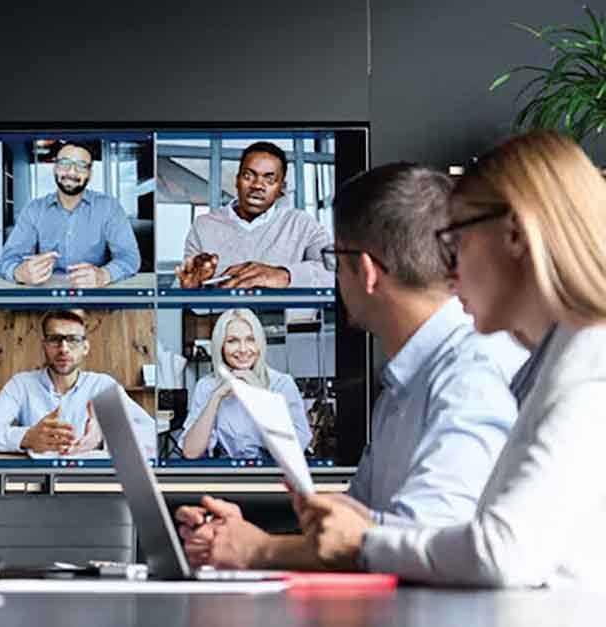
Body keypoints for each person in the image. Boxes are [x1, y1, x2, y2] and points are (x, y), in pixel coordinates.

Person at [175, 163, 526, 571]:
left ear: (366, 271)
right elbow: (363, 529)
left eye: (335, 259)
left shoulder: (470, 375)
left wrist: (257, 550)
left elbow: (426, 545)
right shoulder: (405, 383)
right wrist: (250, 537)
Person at [297, 131, 606, 587]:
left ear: (516, 236)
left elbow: (501, 551)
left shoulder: (589, 364)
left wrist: (363, 542)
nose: (449, 266)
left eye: (456, 238)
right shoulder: (555, 360)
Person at [0, 310, 157, 458]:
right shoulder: (22, 384)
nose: (64, 348)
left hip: (88, 486)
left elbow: (150, 435)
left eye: (73, 340)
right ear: (44, 345)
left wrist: (103, 438)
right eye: (55, 339)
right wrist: (26, 437)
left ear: (85, 348)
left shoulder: (102, 386)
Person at [173, 141, 333, 289]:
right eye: (248, 176)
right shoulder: (203, 226)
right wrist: (191, 287)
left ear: (281, 188)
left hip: (282, 320)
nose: (257, 185)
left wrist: (284, 275)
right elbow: (187, 282)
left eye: (269, 179)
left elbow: (336, 272)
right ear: (237, 181)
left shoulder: (303, 224)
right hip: (219, 319)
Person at [0, 140, 141, 288]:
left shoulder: (109, 207)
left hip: (93, 295)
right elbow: (6, 261)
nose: (72, 171)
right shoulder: (33, 209)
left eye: (81, 165)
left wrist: (104, 275)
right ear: (55, 168)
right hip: (46, 296)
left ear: (90, 173)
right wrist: (19, 272)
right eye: (64, 163)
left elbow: (130, 258)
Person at [178, 308, 311, 459]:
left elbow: (296, 448)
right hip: (228, 474)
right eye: (232, 341)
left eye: (250, 339)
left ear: (260, 343)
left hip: (273, 474)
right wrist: (216, 397)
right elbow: (191, 452)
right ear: (220, 346)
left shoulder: (282, 384)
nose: (243, 349)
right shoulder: (206, 386)